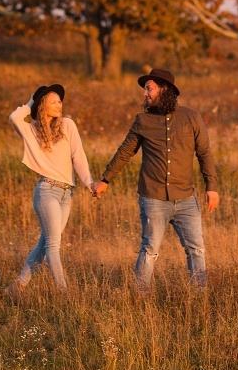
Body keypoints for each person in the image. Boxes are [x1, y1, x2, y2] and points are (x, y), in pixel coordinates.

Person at [93, 67, 219, 293]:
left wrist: (212, 187)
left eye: (149, 89)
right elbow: (125, 152)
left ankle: (199, 296)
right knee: (150, 249)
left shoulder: (191, 117)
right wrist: (105, 179)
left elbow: (204, 154)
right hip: (153, 198)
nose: (145, 94)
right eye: (144, 89)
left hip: (186, 198)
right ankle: (140, 295)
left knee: (196, 249)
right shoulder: (143, 121)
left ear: (165, 89)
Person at [8, 83, 94, 292]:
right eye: (53, 102)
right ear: (42, 106)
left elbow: (78, 156)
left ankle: (18, 286)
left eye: (60, 101)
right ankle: (63, 291)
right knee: (53, 245)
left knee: (44, 245)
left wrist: (89, 182)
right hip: (47, 191)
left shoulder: (67, 125)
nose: (59, 105)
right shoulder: (31, 131)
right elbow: (14, 118)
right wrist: (31, 101)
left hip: (66, 193)